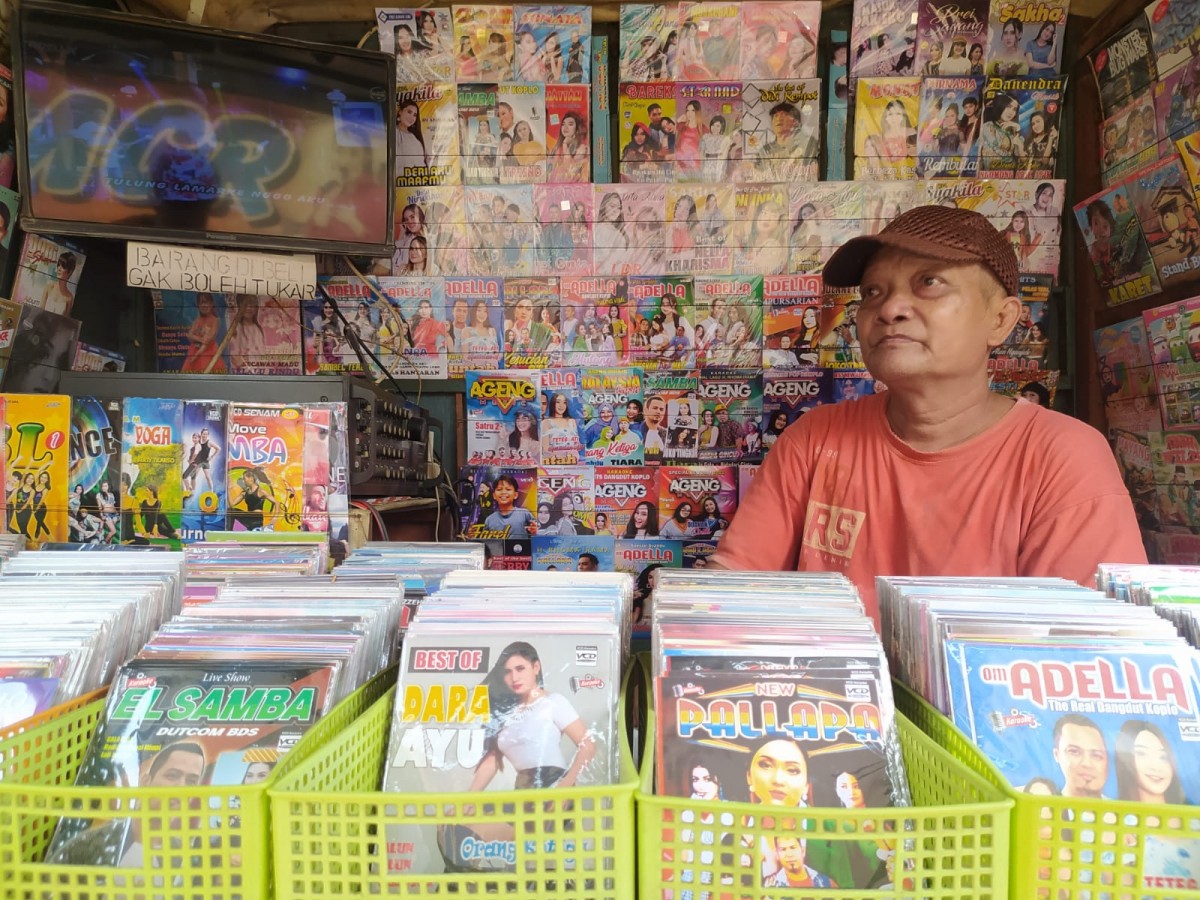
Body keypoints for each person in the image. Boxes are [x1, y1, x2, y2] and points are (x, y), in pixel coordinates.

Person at [709, 205, 1147, 622]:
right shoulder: (815, 439)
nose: (889, 309)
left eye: (930, 282)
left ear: (1001, 319)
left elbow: (1079, 653)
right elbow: (728, 596)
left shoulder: (1063, 456)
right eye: (873, 292)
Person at [47, 741, 208, 866]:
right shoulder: (87, 846)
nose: (181, 788)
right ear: (146, 781)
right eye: (172, 776)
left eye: (191, 781)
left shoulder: (191, 859)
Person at [1114, 720, 1186, 804]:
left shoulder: (1192, 812)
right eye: (1141, 754)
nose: (1156, 767)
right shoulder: (1112, 814)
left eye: (1163, 757)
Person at [1053, 714, 1109, 799]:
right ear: (1057, 755)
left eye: (1096, 755)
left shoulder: (1123, 811)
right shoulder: (1047, 810)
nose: (1087, 763)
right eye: (1074, 751)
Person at [764, 836, 837, 888]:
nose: (789, 854)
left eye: (793, 848)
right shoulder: (770, 888)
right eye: (783, 849)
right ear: (777, 855)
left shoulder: (827, 883)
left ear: (802, 851)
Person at [549, 111, 588, 182]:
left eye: (570, 124)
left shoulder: (581, 147)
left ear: (577, 129)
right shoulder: (557, 147)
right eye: (563, 124)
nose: (565, 127)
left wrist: (565, 145)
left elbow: (569, 167)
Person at [39, 251, 78, 316]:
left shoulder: (69, 298)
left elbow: (65, 322)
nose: (59, 268)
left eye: (63, 266)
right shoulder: (49, 287)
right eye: (58, 265)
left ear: (70, 271)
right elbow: (39, 312)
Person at [395, 99, 428, 175]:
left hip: (419, 181)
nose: (412, 117)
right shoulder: (394, 132)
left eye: (415, 115)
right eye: (409, 112)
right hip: (401, 181)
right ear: (400, 112)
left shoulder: (416, 136)